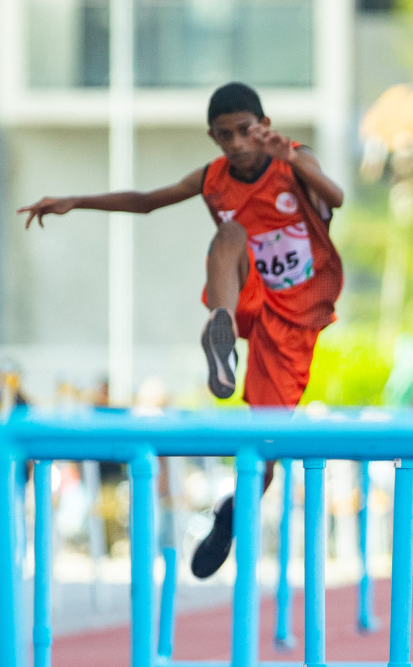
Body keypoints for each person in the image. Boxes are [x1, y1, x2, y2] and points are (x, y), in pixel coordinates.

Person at [17, 82, 346, 577]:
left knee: (268, 447)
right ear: (212, 137)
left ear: (264, 128)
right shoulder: (214, 179)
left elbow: (335, 197)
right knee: (229, 234)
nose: (236, 144)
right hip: (247, 297)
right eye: (224, 136)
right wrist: (76, 200)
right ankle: (220, 328)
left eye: (244, 132)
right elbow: (149, 200)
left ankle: (231, 514)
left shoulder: (293, 157)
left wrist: (293, 160)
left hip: (296, 313)